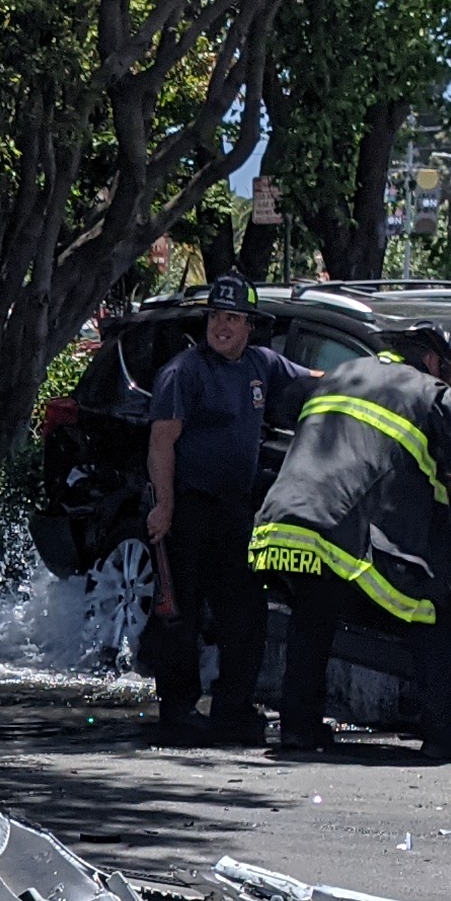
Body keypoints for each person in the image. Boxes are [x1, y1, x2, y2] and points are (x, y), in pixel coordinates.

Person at [252, 323, 451, 757]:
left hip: (287, 518)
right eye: (450, 376)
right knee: (426, 611)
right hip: (345, 525)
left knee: (312, 618)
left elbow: (292, 408)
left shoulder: (343, 372)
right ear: (436, 363)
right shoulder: (426, 390)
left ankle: (299, 729)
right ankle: (445, 734)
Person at [141, 278, 313, 744]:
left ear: (249, 326)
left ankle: (232, 708)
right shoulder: (184, 372)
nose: (222, 326)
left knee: (245, 612)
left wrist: (367, 374)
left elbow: (312, 380)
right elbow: (162, 444)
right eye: (216, 316)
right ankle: (177, 710)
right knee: (182, 614)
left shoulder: (261, 364)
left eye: (233, 318)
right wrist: (166, 508)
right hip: (188, 506)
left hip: (235, 509)